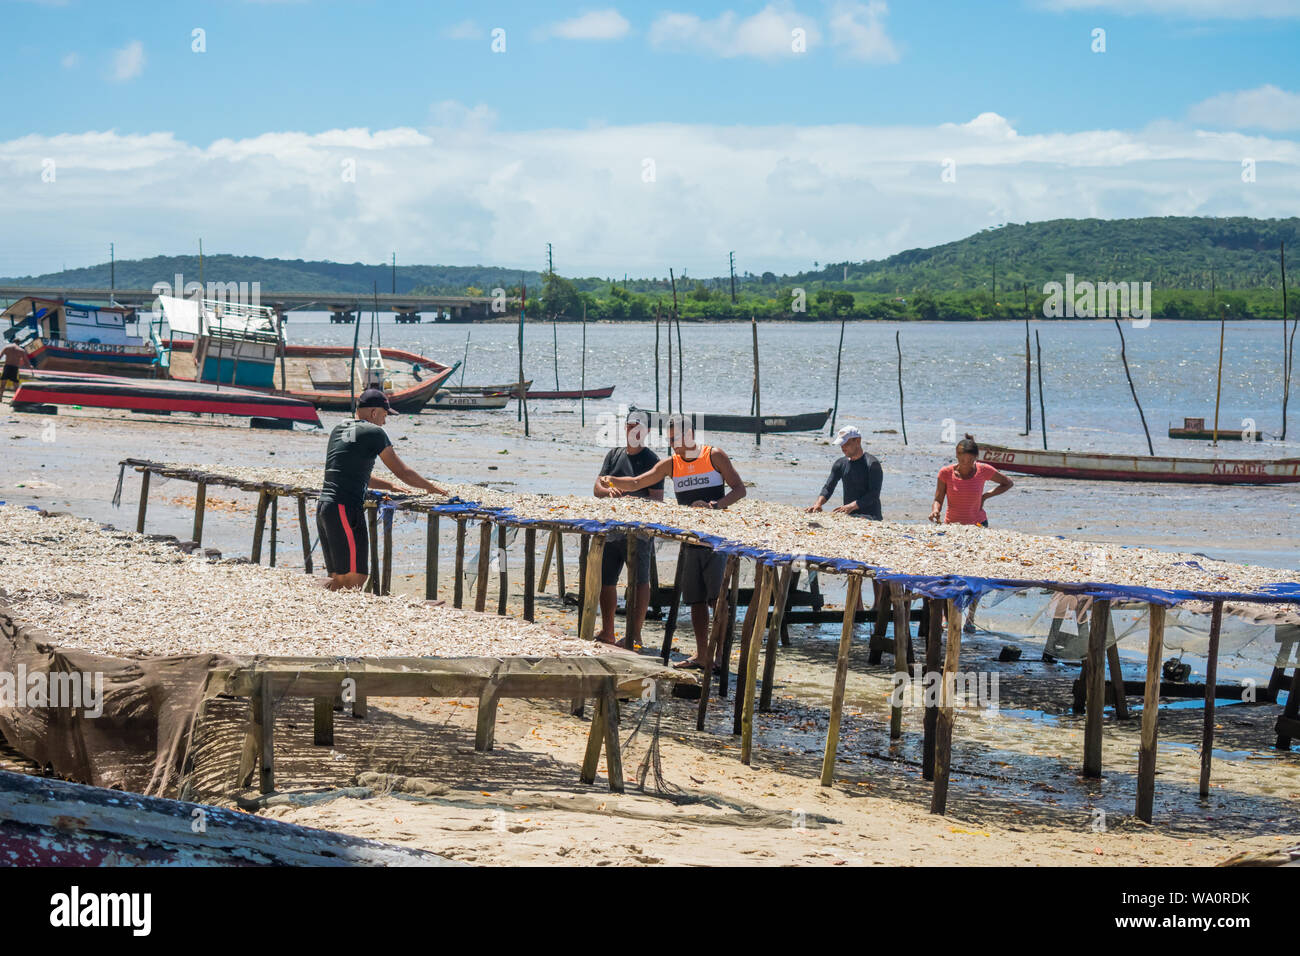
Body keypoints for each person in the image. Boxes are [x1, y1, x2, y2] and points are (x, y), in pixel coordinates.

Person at [601, 413, 746, 669]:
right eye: (668, 440)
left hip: (715, 539)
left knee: (716, 600)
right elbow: (637, 482)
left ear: (689, 435)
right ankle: (702, 655)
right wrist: (609, 480)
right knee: (696, 601)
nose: (672, 445)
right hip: (688, 539)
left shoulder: (714, 455)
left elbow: (739, 489)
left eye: (675, 439)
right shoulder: (671, 463)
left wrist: (715, 506)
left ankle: (720, 656)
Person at [317, 388, 447, 591]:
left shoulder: (339, 429)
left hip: (326, 506)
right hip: (344, 507)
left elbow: (351, 472)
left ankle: (330, 614)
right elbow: (403, 471)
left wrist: (389, 486)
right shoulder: (374, 432)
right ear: (374, 412)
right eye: (385, 416)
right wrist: (432, 488)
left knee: (338, 575)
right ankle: (339, 617)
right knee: (355, 576)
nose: (384, 422)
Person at [592, 409, 664, 648]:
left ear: (646, 432)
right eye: (630, 426)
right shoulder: (613, 455)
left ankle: (635, 634)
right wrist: (607, 492)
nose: (634, 431)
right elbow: (598, 485)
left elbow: (656, 498)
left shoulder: (652, 460)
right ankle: (608, 631)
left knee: (640, 581)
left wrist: (633, 500)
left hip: (639, 531)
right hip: (612, 527)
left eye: (639, 428)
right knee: (606, 579)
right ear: (625, 428)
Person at [929, 433, 1014, 632]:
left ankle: (971, 618)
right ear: (957, 457)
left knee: (976, 573)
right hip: (952, 528)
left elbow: (1007, 483)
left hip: (977, 526)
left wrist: (987, 495)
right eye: (962, 459)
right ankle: (946, 617)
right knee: (950, 573)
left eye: (969, 460)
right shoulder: (946, 473)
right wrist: (935, 510)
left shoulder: (983, 471)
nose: (966, 464)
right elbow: (938, 498)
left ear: (975, 458)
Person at [806, 425, 882, 519]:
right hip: (849, 515)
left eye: (846, 444)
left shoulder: (872, 464)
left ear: (858, 441)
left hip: (871, 516)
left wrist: (851, 506)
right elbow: (828, 487)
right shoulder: (840, 463)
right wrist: (818, 504)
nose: (843, 447)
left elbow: (874, 494)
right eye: (841, 444)